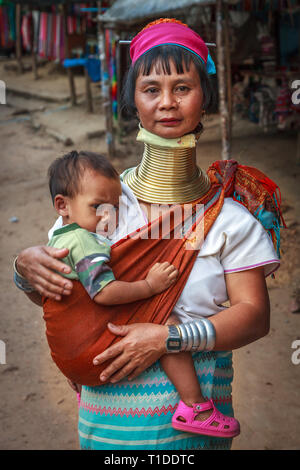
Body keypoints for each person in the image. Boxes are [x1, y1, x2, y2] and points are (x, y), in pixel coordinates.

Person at [14, 18, 284, 450]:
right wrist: (25, 269)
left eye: (183, 87)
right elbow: (59, 293)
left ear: (205, 98)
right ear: (133, 101)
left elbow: (255, 316)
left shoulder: (229, 218)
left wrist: (167, 337)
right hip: (107, 429)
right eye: (151, 89)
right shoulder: (100, 206)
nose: (167, 103)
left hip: (192, 435)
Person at [45, 149, 240, 439]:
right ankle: (195, 406)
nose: (108, 217)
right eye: (98, 207)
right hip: (89, 337)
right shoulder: (85, 242)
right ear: (63, 205)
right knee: (167, 322)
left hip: (70, 347)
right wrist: (150, 286)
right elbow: (103, 292)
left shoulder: (59, 238)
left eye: (115, 207)